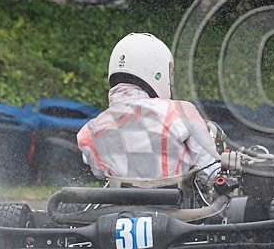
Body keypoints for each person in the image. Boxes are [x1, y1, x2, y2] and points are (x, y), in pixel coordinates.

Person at [77, 33, 221, 182]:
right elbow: (210, 170)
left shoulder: (89, 131)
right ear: (157, 70)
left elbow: (100, 173)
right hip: (175, 202)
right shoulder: (180, 112)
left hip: (120, 202)